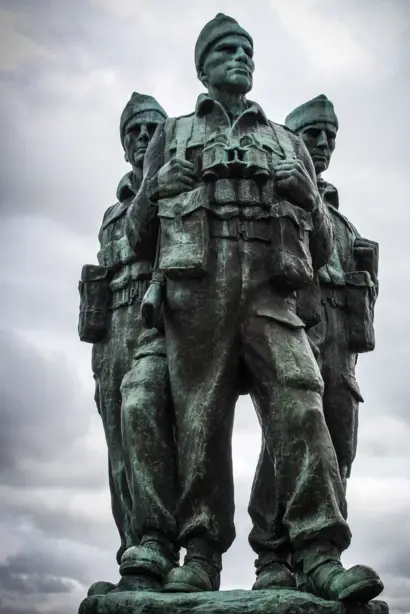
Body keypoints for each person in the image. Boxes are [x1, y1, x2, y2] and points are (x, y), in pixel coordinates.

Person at [119, 14, 383, 604]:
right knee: (200, 421)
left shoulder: (287, 143)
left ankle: (318, 551)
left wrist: (307, 195)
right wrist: (159, 185)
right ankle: (201, 553)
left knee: (301, 397)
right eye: (226, 50)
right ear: (203, 65)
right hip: (198, 288)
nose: (240, 57)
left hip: (270, 290)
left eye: (247, 50)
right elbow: (136, 238)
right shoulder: (176, 132)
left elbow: (318, 247)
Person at [248, 94, 380, 592]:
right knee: (286, 445)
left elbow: (362, 300)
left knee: (337, 453)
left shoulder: (346, 228)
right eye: (312, 133)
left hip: (340, 360)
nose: (322, 143)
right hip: (291, 340)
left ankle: (315, 562)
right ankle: (274, 555)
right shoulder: (273, 202)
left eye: (330, 135)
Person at [78, 92, 169, 595]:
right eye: (132, 130)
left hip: (157, 321)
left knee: (155, 438)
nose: (141, 137)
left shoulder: (176, 185)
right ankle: (132, 556)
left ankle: (163, 551)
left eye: (150, 128)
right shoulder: (113, 210)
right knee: (118, 450)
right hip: (112, 328)